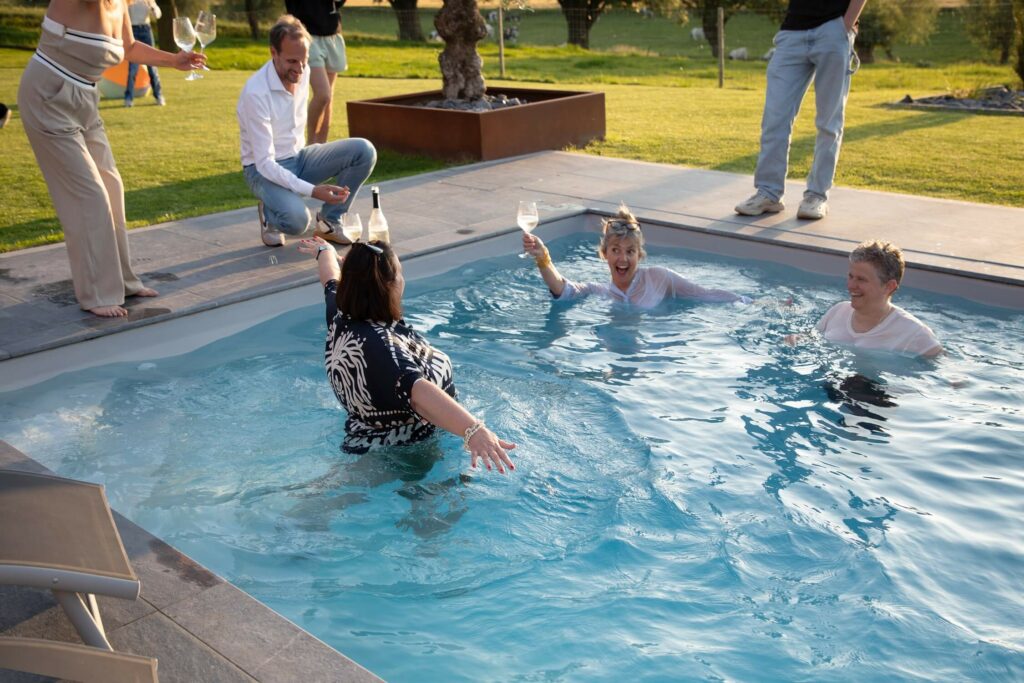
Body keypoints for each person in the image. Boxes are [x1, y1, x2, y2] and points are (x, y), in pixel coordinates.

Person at [17, 0, 205, 317]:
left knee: (111, 187)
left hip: (85, 100)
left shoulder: (119, 4)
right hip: (48, 97)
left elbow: (129, 48)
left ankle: (123, 281)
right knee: (89, 196)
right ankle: (96, 294)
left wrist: (174, 60)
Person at [297, 235, 517, 473]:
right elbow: (418, 391)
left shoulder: (341, 317)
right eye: (400, 273)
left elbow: (330, 278)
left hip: (369, 440)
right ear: (389, 285)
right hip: (410, 453)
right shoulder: (382, 348)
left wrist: (324, 250)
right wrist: (475, 431)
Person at [237, 15, 375, 248]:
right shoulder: (255, 93)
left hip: (299, 158)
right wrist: (314, 191)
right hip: (261, 171)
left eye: (304, 60)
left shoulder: (302, 70)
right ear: (274, 52)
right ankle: (271, 213)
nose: (300, 68)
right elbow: (264, 163)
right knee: (297, 221)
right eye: (292, 61)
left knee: (364, 150)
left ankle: (330, 221)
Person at [735, 0, 868, 221]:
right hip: (792, 32)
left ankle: (816, 196)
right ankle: (769, 193)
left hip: (833, 29)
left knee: (829, 122)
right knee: (774, 118)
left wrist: (845, 26)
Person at [522, 205, 750, 308]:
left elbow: (704, 294)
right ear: (605, 254)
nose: (623, 258)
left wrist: (749, 302)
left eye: (630, 251)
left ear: (639, 255)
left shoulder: (660, 279)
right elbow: (563, 289)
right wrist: (543, 257)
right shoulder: (600, 292)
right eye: (616, 250)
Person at [789, 240, 942, 357]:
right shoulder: (839, 311)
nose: (851, 285)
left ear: (889, 286)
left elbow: (944, 371)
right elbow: (811, 338)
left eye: (861, 279)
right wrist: (796, 339)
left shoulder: (914, 333)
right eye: (850, 276)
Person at [284, 0, 347, 144]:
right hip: (306, 36)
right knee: (323, 94)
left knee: (328, 97)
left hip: (333, 34)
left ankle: (321, 147)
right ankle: (311, 147)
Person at [124, 0, 164, 107]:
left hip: (146, 30)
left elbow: (158, 15)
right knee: (133, 68)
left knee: (152, 67)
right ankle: (128, 98)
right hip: (133, 30)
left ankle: (159, 96)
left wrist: (153, 8)